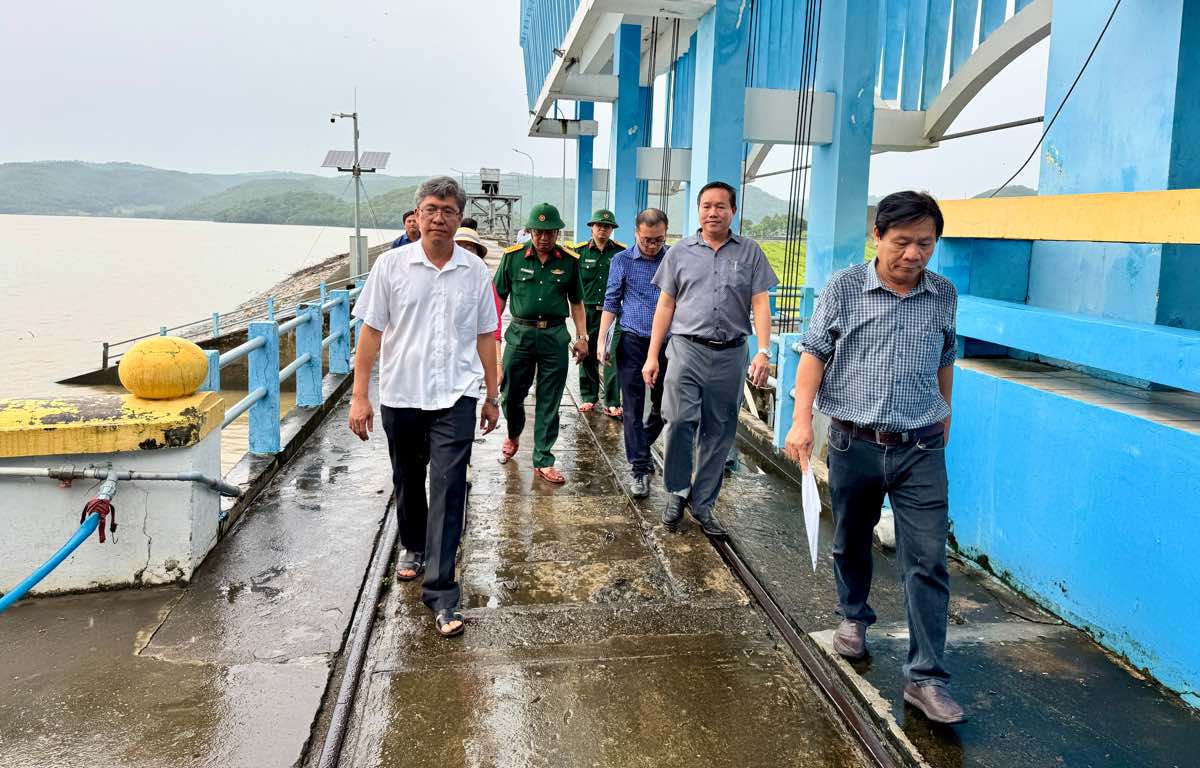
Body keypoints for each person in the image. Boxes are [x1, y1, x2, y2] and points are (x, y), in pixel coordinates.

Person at [783, 191, 964, 724]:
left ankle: (926, 678)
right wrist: (801, 420)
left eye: (925, 244)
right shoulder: (843, 288)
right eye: (903, 242)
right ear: (879, 237)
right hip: (854, 443)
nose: (913, 254)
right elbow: (815, 352)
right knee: (851, 538)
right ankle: (854, 617)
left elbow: (946, 356)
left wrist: (946, 414)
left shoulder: (943, 294)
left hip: (921, 446)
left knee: (928, 559)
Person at [349, 176, 500, 638]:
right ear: (416, 215)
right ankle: (413, 544)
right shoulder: (391, 267)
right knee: (408, 479)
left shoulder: (475, 272)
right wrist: (360, 395)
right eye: (432, 209)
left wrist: (492, 396)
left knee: (451, 484)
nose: (440, 218)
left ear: (459, 219)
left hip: (456, 395)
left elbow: (485, 337)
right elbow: (371, 333)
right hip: (402, 394)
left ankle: (442, 591)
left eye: (449, 211)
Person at [643, 181, 776, 535]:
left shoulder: (750, 253)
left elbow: (760, 303)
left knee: (719, 432)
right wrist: (653, 355)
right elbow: (665, 305)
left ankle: (703, 504)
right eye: (706, 206)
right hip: (686, 349)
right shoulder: (680, 252)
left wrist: (763, 350)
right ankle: (676, 492)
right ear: (698, 211)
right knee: (680, 422)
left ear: (733, 211)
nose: (712, 212)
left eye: (720, 206)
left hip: (731, 354)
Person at [493, 203, 589, 484]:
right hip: (520, 336)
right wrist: (493, 336)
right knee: (510, 395)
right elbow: (498, 298)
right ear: (530, 231)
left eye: (550, 232)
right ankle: (513, 433)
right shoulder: (512, 258)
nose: (544, 238)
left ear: (558, 233)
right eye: (539, 232)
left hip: (554, 337)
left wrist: (582, 337)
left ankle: (543, 458)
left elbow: (577, 302)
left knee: (550, 399)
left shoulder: (570, 261)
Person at [598, 208, 670, 499]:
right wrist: (602, 340)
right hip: (632, 340)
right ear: (636, 234)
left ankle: (641, 444)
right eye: (647, 240)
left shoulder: (674, 259)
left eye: (658, 240)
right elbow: (612, 300)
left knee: (666, 407)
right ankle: (639, 468)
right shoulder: (622, 261)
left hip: (668, 343)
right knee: (632, 406)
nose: (652, 246)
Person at [574, 209, 625, 417]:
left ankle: (612, 401)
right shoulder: (579, 253)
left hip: (613, 313)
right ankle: (589, 397)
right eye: (599, 225)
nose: (603, 229)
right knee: (587, 355)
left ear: (612, 229)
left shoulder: (621, 253)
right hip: (588, 312)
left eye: (607, 226)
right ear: (592, 227)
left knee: (611, 356)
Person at [455, 226, 503, 385]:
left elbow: (493, 326)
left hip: (470, 358)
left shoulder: (484, 282)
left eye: (469, 247)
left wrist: (497, 364)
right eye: (458, 246)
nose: (464, 251)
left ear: (478, 253)